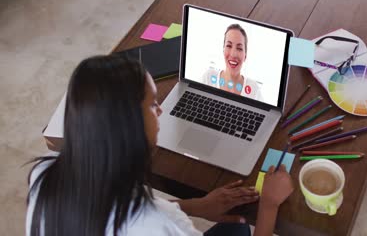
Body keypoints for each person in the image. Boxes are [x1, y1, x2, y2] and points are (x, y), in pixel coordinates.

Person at [26, 54, 293, 236]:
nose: (161, 111)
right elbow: (152, 219)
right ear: (130, 128)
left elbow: (115, 214)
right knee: (242, 227)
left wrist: (196, 206)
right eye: (153, 105)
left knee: (235, 228)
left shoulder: (44, 174)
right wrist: (269, 205)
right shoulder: (160, 224)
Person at [203, 24, 262, 101]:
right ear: (223, 50)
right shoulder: (208, 77)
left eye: (239, 48)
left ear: (245, 56)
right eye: (229, 46)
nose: (233, 54)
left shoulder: (254, 89)